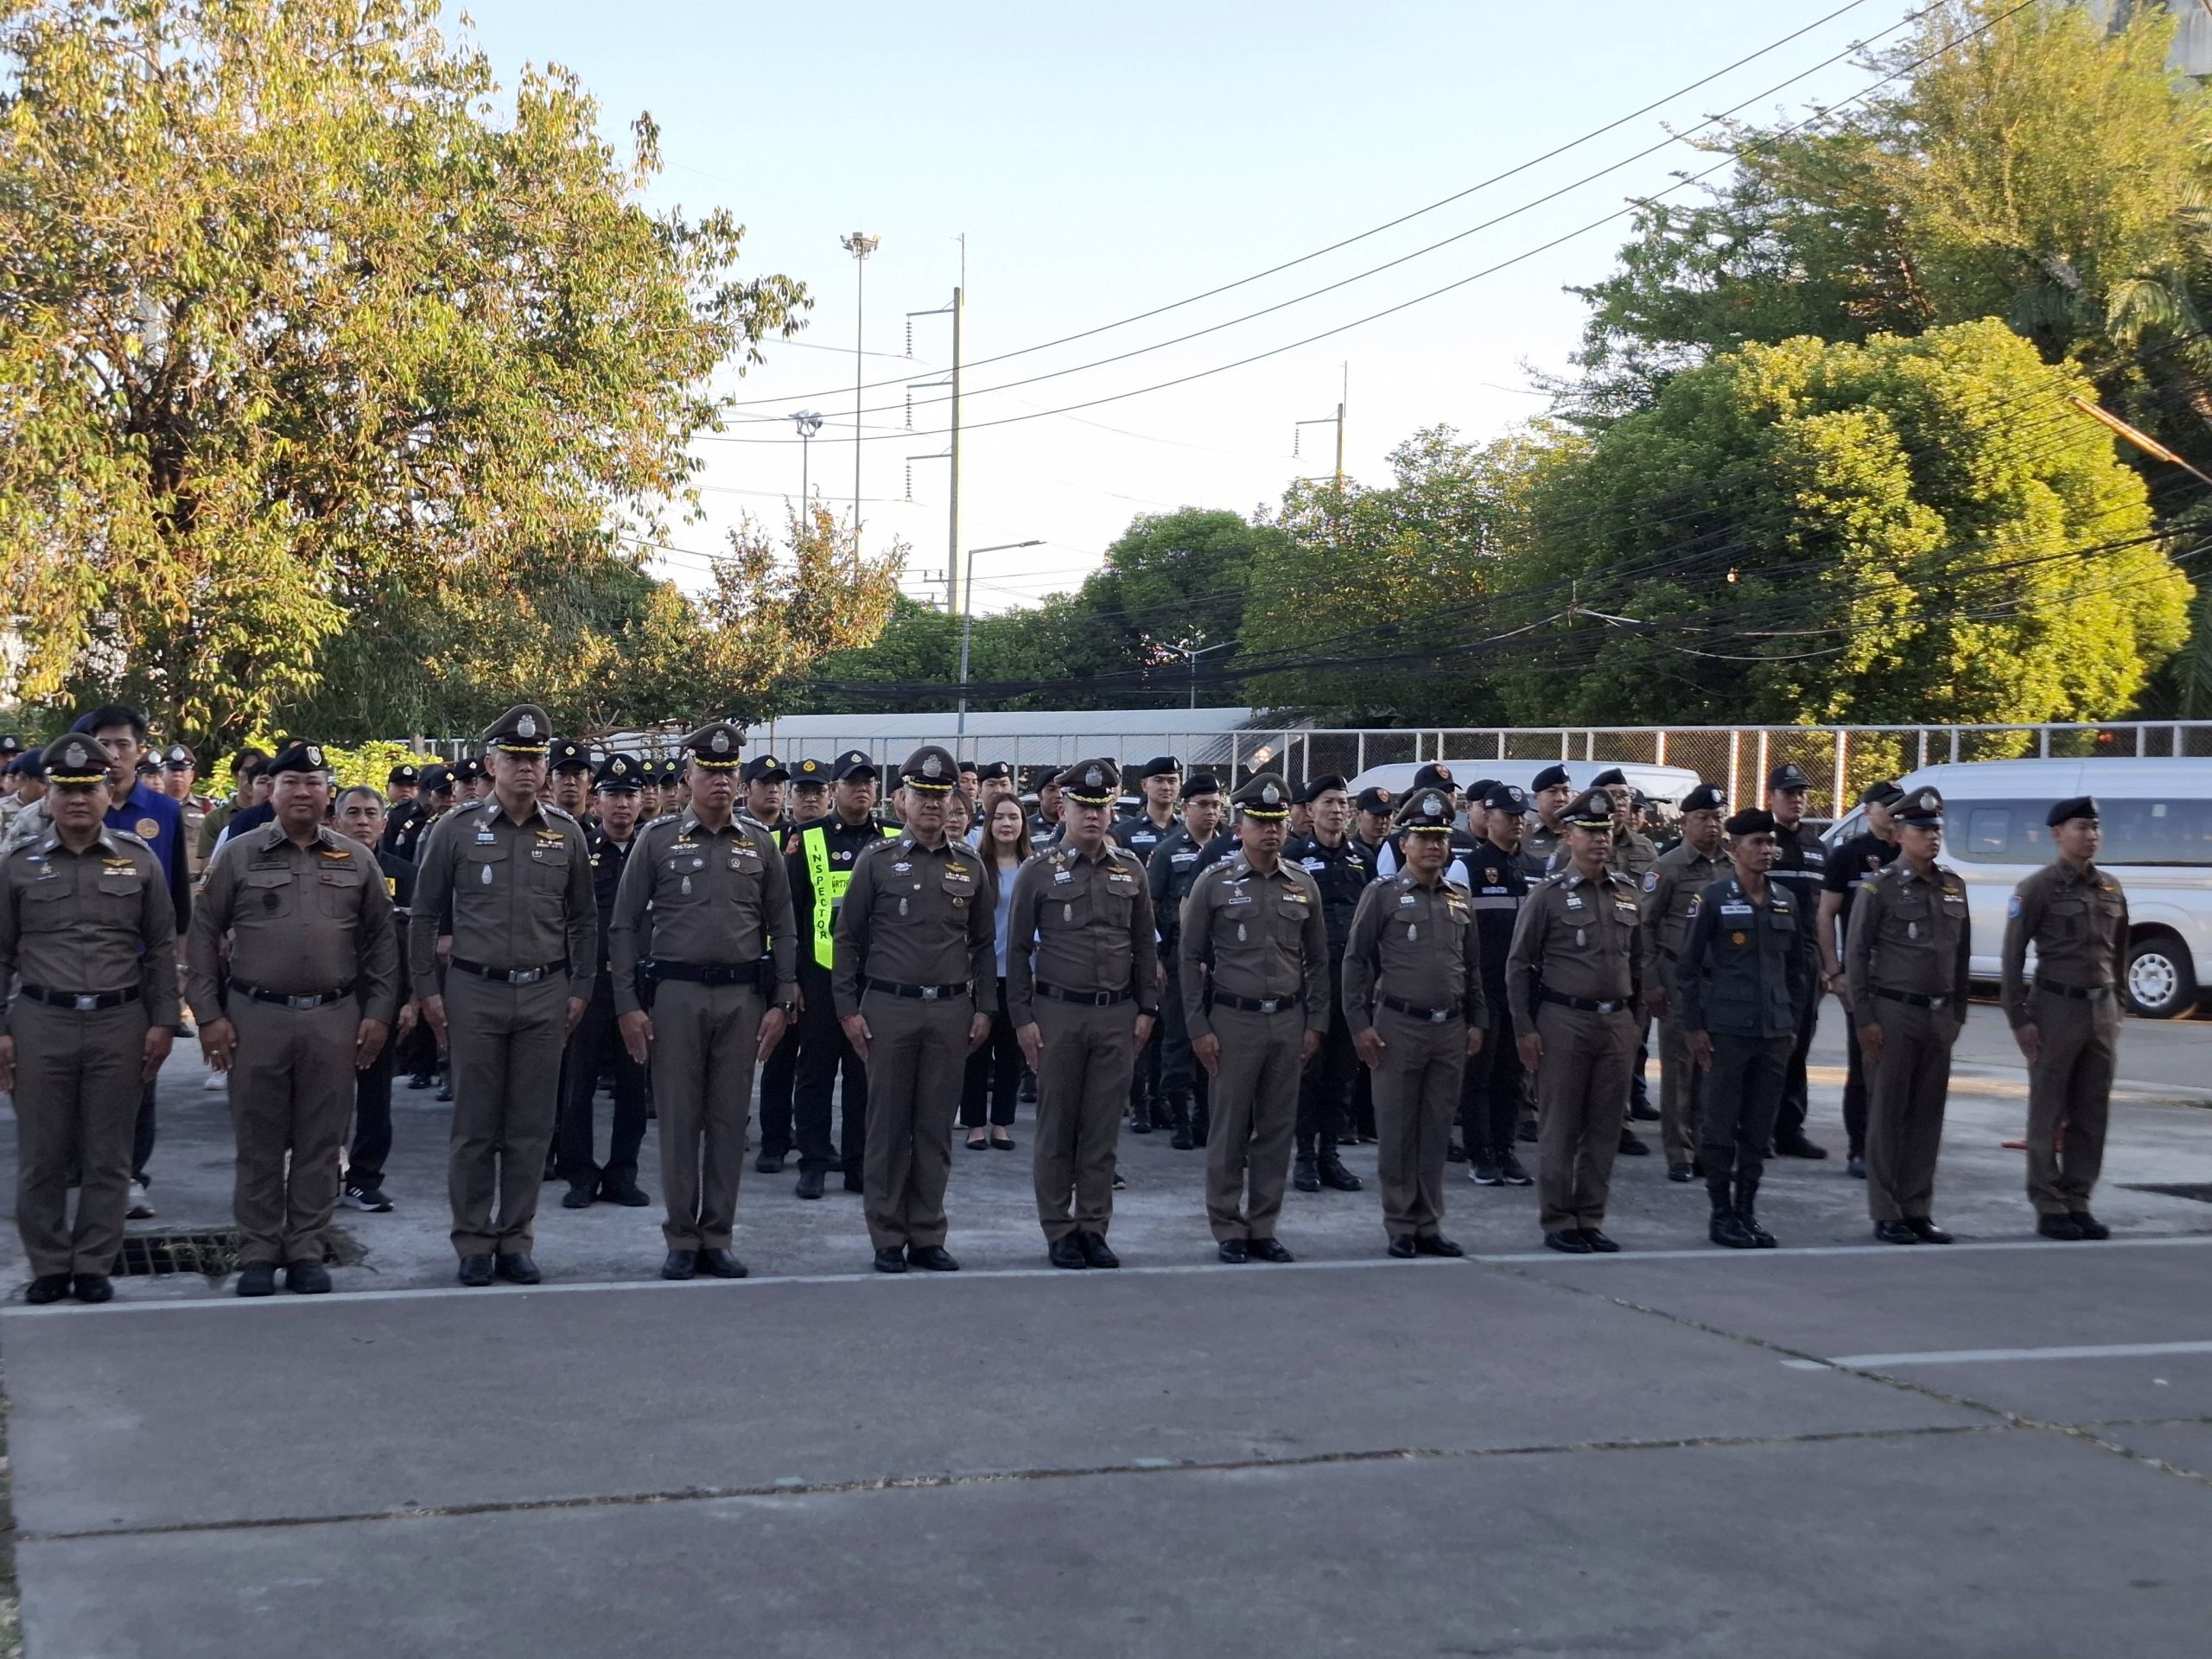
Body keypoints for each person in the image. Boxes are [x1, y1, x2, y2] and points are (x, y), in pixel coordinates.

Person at [188, 743, 399, 1295]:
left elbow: (382, 943)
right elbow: (203, 935)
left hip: (334, 1018)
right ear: (272, 791)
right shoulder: (239, 854)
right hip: (255, 1017)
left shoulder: (357, 859)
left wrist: (379, 1012)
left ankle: (306, 1248)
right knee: (258, 1143)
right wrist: (208, 1015)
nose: (303, 792)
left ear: (328, 792)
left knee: (321, 1143)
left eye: (313, 782)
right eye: (291, 782)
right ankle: (258, 1251)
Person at [409, 705, 596, 1287]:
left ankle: (516, 1238)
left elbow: (584, 919)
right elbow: (425, 914)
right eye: (514, 758)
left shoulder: (565, 832)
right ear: (491, 764)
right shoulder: (456, 829)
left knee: (530, 1128)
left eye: (535, 758)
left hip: (544, 993)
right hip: (474, 992)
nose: (526, 768)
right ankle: (472, 1241)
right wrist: (426, 989)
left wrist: (581, 987)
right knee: (474, 1126)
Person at [609, 724, 796, 1281]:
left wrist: (782, 1000)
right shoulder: (657, 839)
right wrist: (626, 1003)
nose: (720, 780)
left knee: (728, 1121)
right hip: (676, 996)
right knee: (679, 1120)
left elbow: (783, 926)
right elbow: (623, 925)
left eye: (728, 771)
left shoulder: (759, 842)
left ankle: (718, 1235)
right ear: (687, 776)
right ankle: (681, 1238)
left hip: (742, 997)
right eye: (709, 771)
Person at [0, 735, 180, 1304]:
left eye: (89, 788)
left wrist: (164, 1021)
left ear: (107, 793)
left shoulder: (140, 859)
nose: (77, 799)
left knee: (109, 1155)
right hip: (40, 1022)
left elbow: (160, 948)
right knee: (42, 1155)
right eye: (66, 789)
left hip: (118, 1022)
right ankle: (51, 1264)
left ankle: (95, 1263)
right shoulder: (18, 864)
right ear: (49, 796)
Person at [832, 745, 996, 1274]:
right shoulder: (877, 860)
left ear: (953, 801)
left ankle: (927, 1232)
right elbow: (847, 937)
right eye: (921, 793)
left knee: (933, 1127)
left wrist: (985, 1008)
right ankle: (886, 1235)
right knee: (886, 1128)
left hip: (949, 1010)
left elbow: (983, 944)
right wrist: (847, 1009)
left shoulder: (969, 863)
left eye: (940, 794)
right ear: (902, 799)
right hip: (889, 1007)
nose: (931, 803)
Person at [1007, 760, 1159, 1268]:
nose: (1092, 815)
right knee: (1057, 1127)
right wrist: (1023, 1018)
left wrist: (1147, 1009)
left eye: (1101, 806)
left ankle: (1094, 1226)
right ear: (1063, 809)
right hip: (1058, 1013)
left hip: (1116, 1014)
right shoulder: (1038, 870)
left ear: (1112, 810)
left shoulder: (1130, 869)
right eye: (1082, 806)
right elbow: (1017, 949)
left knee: (1101, 1128)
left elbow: (1144, 945)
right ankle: (1058, 1229)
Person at [1181, 772, 1328, 1264]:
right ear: (1238, 827)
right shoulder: (1215, 882)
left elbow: (1318, 960)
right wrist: (1198, 1026)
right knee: (1229, 1130)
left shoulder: (1303, 884)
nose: (1271, 830)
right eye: (1260, 822)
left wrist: (1316, 1022)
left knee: (1276, 1129)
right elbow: (1189, 958)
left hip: (1287, 1020)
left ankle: (1263, 1225)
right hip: (1233, 1020)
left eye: (1278, 822)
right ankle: (1227, 1225)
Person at [1342, 786, 1486, 1258]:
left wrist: (1477, 1020)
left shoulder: (1460, 898)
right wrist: (1359, 1023)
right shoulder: (1382, 894)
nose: (1433, 846)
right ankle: (1401, 1222)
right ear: (1404, 843)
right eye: (1423, 837)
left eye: (1441, 837)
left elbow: (1472, 967)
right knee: (1398, 1130)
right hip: (1398, 1027)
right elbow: (1356, 959)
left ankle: (1429, 1222)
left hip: (1449, 1027)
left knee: (1436, 1130)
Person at [1507, 788, 1643, 1255]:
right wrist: (1525, 1027)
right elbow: (1519, 964)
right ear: (1568, 835)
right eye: (1589, 831)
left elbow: (1639, 966)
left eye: (1605, 830)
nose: (1600, 839)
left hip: (1615, 1022)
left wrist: (1636, 1021)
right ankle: (1559, 1219)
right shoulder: (1548, 896)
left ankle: (1590, 1216)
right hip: (1563, 1020)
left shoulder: (1626, 893)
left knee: (1604, 1127)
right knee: (1561, 1125)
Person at [1677, 808, 1808, 1249]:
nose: (1767, 850)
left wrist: (1792, 1022)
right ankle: (1721, 1214)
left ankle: (1747, 1211)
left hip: (1774, 1032)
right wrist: (1694, 1028)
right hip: (1727, 1031)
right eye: (1757, 843)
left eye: (1771, 842)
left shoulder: (1786, 899)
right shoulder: (1712, 899)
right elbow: (1688, 970)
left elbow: (1797, 969)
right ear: (1734, 849)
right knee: (1719, 1127)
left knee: (1758, 1128)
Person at [1846, 787, 1969, 1246]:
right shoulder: (1878, 888)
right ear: (1898, 835)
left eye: (1936, 829)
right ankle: (1887, 1211)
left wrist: (1958, 1012)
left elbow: (1961, 956)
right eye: (1921, 829)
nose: (1932, 837)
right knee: (1887, 1115)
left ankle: (1918, 1208)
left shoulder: (1953, 886)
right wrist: (1864, 1018)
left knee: (1927, 1117)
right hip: (1894, 1013)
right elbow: (1856, 955)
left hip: (1938, 1015)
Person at [2002, 797, 2126, 1242]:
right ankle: (2048, 1203)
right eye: (2081, 827)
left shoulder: (2110, 887)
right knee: (2048, 1109)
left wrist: (2118, 1005)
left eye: (2095, 827)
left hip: (2101, 1010)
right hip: (2055, 1009)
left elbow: (2120, 951)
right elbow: (2012, 956)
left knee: (2092, 1110)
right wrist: (2019, 1017)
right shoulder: (2037, 888)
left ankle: (2078, 1198)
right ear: (2057, 834)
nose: (2091, 836)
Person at [84, 705, 190, 1220]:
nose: (113, 754)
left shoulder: (164, 812)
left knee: (140, 1074)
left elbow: (179, 898)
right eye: (103, 744)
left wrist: (180, 969)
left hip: (145, 963)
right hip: (79, 961)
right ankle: (85, 1169)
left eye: (123, 744)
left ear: (139, 749)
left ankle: (131, 1176)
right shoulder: (75, 802)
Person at [787, 750, 898, 1198]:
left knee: (864, 1078)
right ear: (835, 790)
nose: (862, 789)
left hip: (875, 979)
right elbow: (789, 914)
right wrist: (790, 979)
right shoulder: (807, 836)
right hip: (820, 976)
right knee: (815, 1075)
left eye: (868, 781)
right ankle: (813, 1163)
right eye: (853, 782)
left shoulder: (895, 836)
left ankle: (858, 1166)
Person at [555, 753, 653, 1210]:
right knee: (579, 1085)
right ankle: (579, 1174)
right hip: (590, 984)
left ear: (642, 801)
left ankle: (622, 1173)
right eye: (613, 795)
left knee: (634, 1086)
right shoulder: (581, 850)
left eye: (630, 795)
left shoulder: (653, 851)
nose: (622, 804)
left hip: (638, 986)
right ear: (597, 802)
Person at [332, 785, 418, 1213]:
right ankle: (323, 1174)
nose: (362, 821)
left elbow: (419, 942)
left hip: (384, 1001)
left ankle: (364, 1179)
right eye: (352, 813)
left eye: (370, 813)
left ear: (384, 823)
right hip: (329, 1001)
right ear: (336, 822)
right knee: (325, 1096)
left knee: (375, 1096)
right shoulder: (320, 868)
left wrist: (414, 999)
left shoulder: (405, 874)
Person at [1285, 773, 1369, 1195]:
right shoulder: (1293, 856)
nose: (1338, 810)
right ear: (1310, 810)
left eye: (1343, 802)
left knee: (1342, 1070)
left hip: (1350, 980)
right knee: (1309, 1070)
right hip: (1308, 978)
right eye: (1329, 802)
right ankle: (1304, 1155)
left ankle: (1330, 1153)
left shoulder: (1361, 859)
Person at [1642, 782, 1728, 1182]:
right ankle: (1679, 1151)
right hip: (1679, 978)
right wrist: (1652, 981)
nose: (1711, 825)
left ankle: (1706, 1146)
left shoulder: (1731, 865)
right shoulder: (1668, 867)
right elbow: (1646, 926)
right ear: (1685, 822)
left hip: (1722, 980)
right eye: (1702, 818)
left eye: (1717, 817)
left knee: (1713, 1067)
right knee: (1679, 1066)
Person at [1820, 781, 1904, 1179]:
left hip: (1904, 979)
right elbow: (1825, 915)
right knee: (1864, 1065)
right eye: (1886, 805)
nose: (1893, 812)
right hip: (1863, 978)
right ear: (1868, 810)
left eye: (1898, 806)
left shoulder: (1910, 852)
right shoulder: (1847, 855)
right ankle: (1860, 1148)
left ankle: (1894, 1145)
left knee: (1902, 1068)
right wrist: (1834, 971)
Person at [1150, 772, 1233, 1151]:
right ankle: (1179, 1119)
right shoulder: (1167, 851)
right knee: (1180, 1037)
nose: (1211, 812)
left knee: (1216, 1037)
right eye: (1203, 805)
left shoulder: (1230, 847)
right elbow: (1151, 908)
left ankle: (1204, 1114)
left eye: (1217, 805)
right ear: (1186, 809)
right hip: (1178, 957)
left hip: (1223, 960)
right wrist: (1155, 959)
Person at [1460, 783, 1535, 1187]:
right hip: (1483, 986)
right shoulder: (1469, 868)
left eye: (1522, 816)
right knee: (1480, 1074)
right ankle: (1481, 1152)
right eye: (1510, 815)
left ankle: (1506, 1149)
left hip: (1522, 989)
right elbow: (1458, 933)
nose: (1518, 822)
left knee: (1513, 1074)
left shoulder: (1536, 867)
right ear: (1488, 818)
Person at [1765, 761, 1831, 1160]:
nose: (1797, 799)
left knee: (1799, 1045)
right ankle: (1758, 1128)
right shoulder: (1761, 840)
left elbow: (1821, 910)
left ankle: (1790, 1128)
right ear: (1771, 797)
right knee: (1766, 1048)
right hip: (1767, 959)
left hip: (1805, 962)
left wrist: (1825, 964)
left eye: (1801, 793)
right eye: (1788, 793)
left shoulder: (1816, 847)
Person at [963, 796, 1031, 1150]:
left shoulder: (1032, 867)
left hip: (1019, 975)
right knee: (975, 1051)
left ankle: (1001, 1124)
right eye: (1000, 817)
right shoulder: (975, 865)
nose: (1007, 824)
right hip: (980, 973)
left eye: (1014, 818)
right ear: (988, 824)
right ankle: (975, 1125)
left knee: (1009, 1053)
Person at [1523, 764, 1573, 870]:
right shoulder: (1522, 832)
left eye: (1566, 791)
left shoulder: (1579, 833)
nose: (1561, 798)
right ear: (1536, 797)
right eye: (1552, 791)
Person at [548, 739, 594, 819]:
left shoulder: (603, 826)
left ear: (590, 781)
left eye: (577, 774)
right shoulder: (537, 825)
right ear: (550, 782)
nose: (570, 781)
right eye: (562, 774)